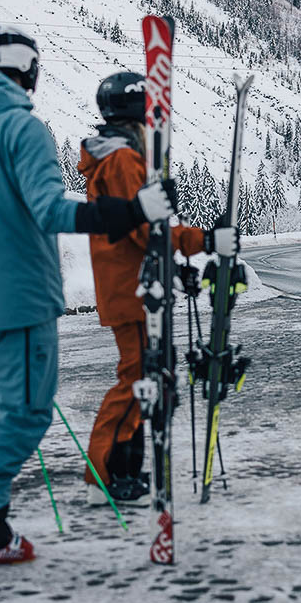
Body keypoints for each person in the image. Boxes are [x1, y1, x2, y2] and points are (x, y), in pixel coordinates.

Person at [0, 26, 178, 572]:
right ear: (26, 71)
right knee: (25, 415)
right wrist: (132, 211)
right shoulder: (22, 129)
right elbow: (50, 210)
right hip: (23, 295)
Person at [79, 71, 238, 505]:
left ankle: (125, 469)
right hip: (132, 291)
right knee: (136, 379)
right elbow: (145, 229)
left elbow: (145, 233)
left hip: (131, 284)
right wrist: (203, 242)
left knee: (148, 376)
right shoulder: (125, 161)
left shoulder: (113, 156)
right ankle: (103, 475)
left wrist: (175, 264)